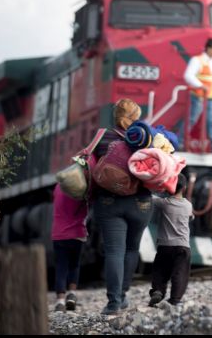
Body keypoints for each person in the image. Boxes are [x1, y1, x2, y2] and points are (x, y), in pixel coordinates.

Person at [92, 99, 152, 315]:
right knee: (131, 249)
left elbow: (89, 167)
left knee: (114, 252)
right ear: (137, 116)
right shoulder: (148, 137)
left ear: (115, 116)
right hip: (141, 202)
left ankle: (114, 303)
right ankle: (124, 295)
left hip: (110, 201)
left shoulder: (102, 137)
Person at [149, 175, 193, 307]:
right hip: (183, 247)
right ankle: (175, 299)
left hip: (165, 246)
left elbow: (150, 198)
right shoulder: (188, 205)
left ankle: (158, 291)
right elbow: (191, 217)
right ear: (184, 188)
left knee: (159, 271)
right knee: (180, 273)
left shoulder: (164, 203)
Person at [51, 184, 88, 312]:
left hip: (59, 234)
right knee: (74, 264)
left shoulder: (58, 187)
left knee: (61, 266)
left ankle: (60, 301)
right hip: (77, 233)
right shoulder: (82, 187)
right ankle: (71, 294)